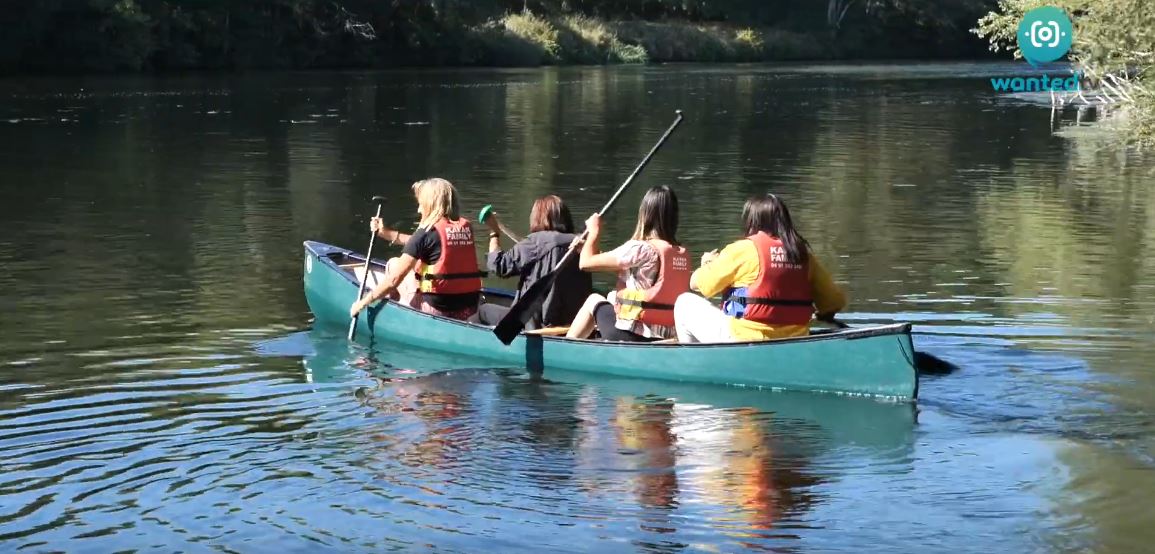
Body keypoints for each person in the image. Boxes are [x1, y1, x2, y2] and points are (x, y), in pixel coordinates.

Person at [673, 193, 846, 343]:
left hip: (744, 338)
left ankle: (691, 363)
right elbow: (834, 302)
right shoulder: (803, 256)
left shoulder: (744, 249)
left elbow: (698, 285)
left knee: (684, 302)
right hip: (795, 339)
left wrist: (708, 264)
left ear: (752, 221)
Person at [565, 185, 691, 342]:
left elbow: (585, 263)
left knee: (593, 300)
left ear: (646, 214)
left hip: (632, 333)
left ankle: (567, 346)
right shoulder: (680, 253)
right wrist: (587, 248)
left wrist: (594, 231)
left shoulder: (640, 248)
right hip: (664, 336)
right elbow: (629, 272)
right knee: (611, 297)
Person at [349, 177, 483, 321]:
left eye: (420, 204)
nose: (419, 210)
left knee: (394, 263)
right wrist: (385, 233)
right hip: (469, 309)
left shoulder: (425, 234)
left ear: (430, 204)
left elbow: (394, 280)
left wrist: (363, 302)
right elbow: (425, 244)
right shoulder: (465, 228)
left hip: (437, 311)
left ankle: (392, 313)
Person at [477, 195, 592, 329]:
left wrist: (494, 233)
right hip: (575, 324)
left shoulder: (536, 242)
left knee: (483, 311)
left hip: (534, 324)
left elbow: (498, 265)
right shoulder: (581, 243)